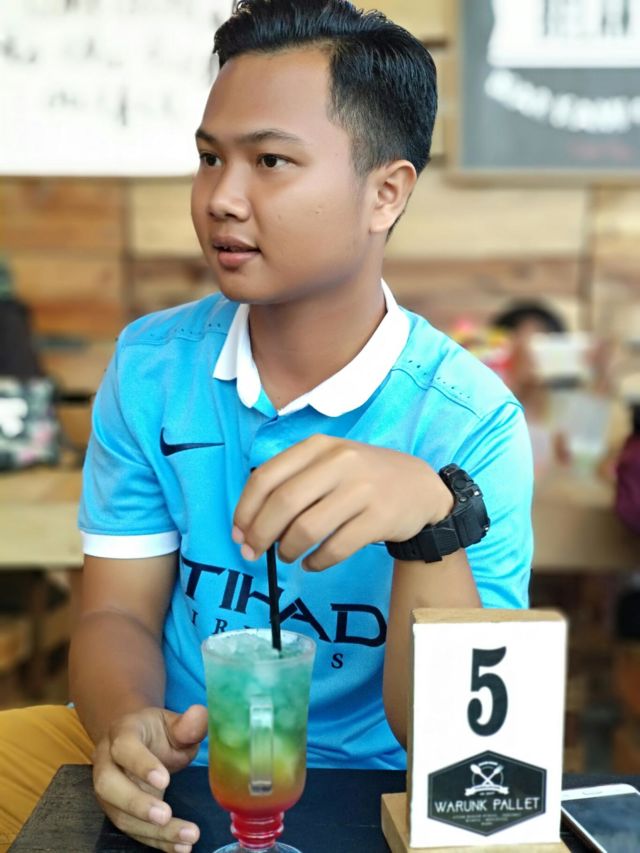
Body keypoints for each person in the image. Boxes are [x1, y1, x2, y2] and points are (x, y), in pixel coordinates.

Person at [0, 1, 533, 851]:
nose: (221, 197)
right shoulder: (153, 367)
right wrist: (128, 724)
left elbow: (460, 748)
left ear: (385, 193)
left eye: (271, 161)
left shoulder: (470, 423)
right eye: (210, 158)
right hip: (181, 777)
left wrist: (432, 520)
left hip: (376, 792)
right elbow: (116, 614)